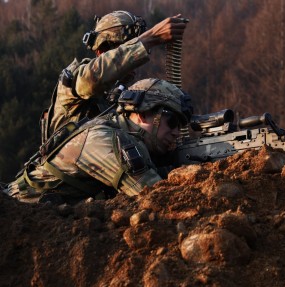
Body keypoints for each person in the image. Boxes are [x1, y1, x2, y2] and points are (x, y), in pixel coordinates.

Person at [6, 78, 192, 203]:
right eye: (172, 122)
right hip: (19, 215)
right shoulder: (105, 139)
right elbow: (156, 197)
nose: (176, 132)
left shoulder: (122, 133)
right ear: (142, 113)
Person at [41, 10, 188, 144]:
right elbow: (92, 79)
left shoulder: (120, 95)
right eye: (125, 48)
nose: (133, 63)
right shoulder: (76, 79)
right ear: (102, 51)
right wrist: (150, 38)